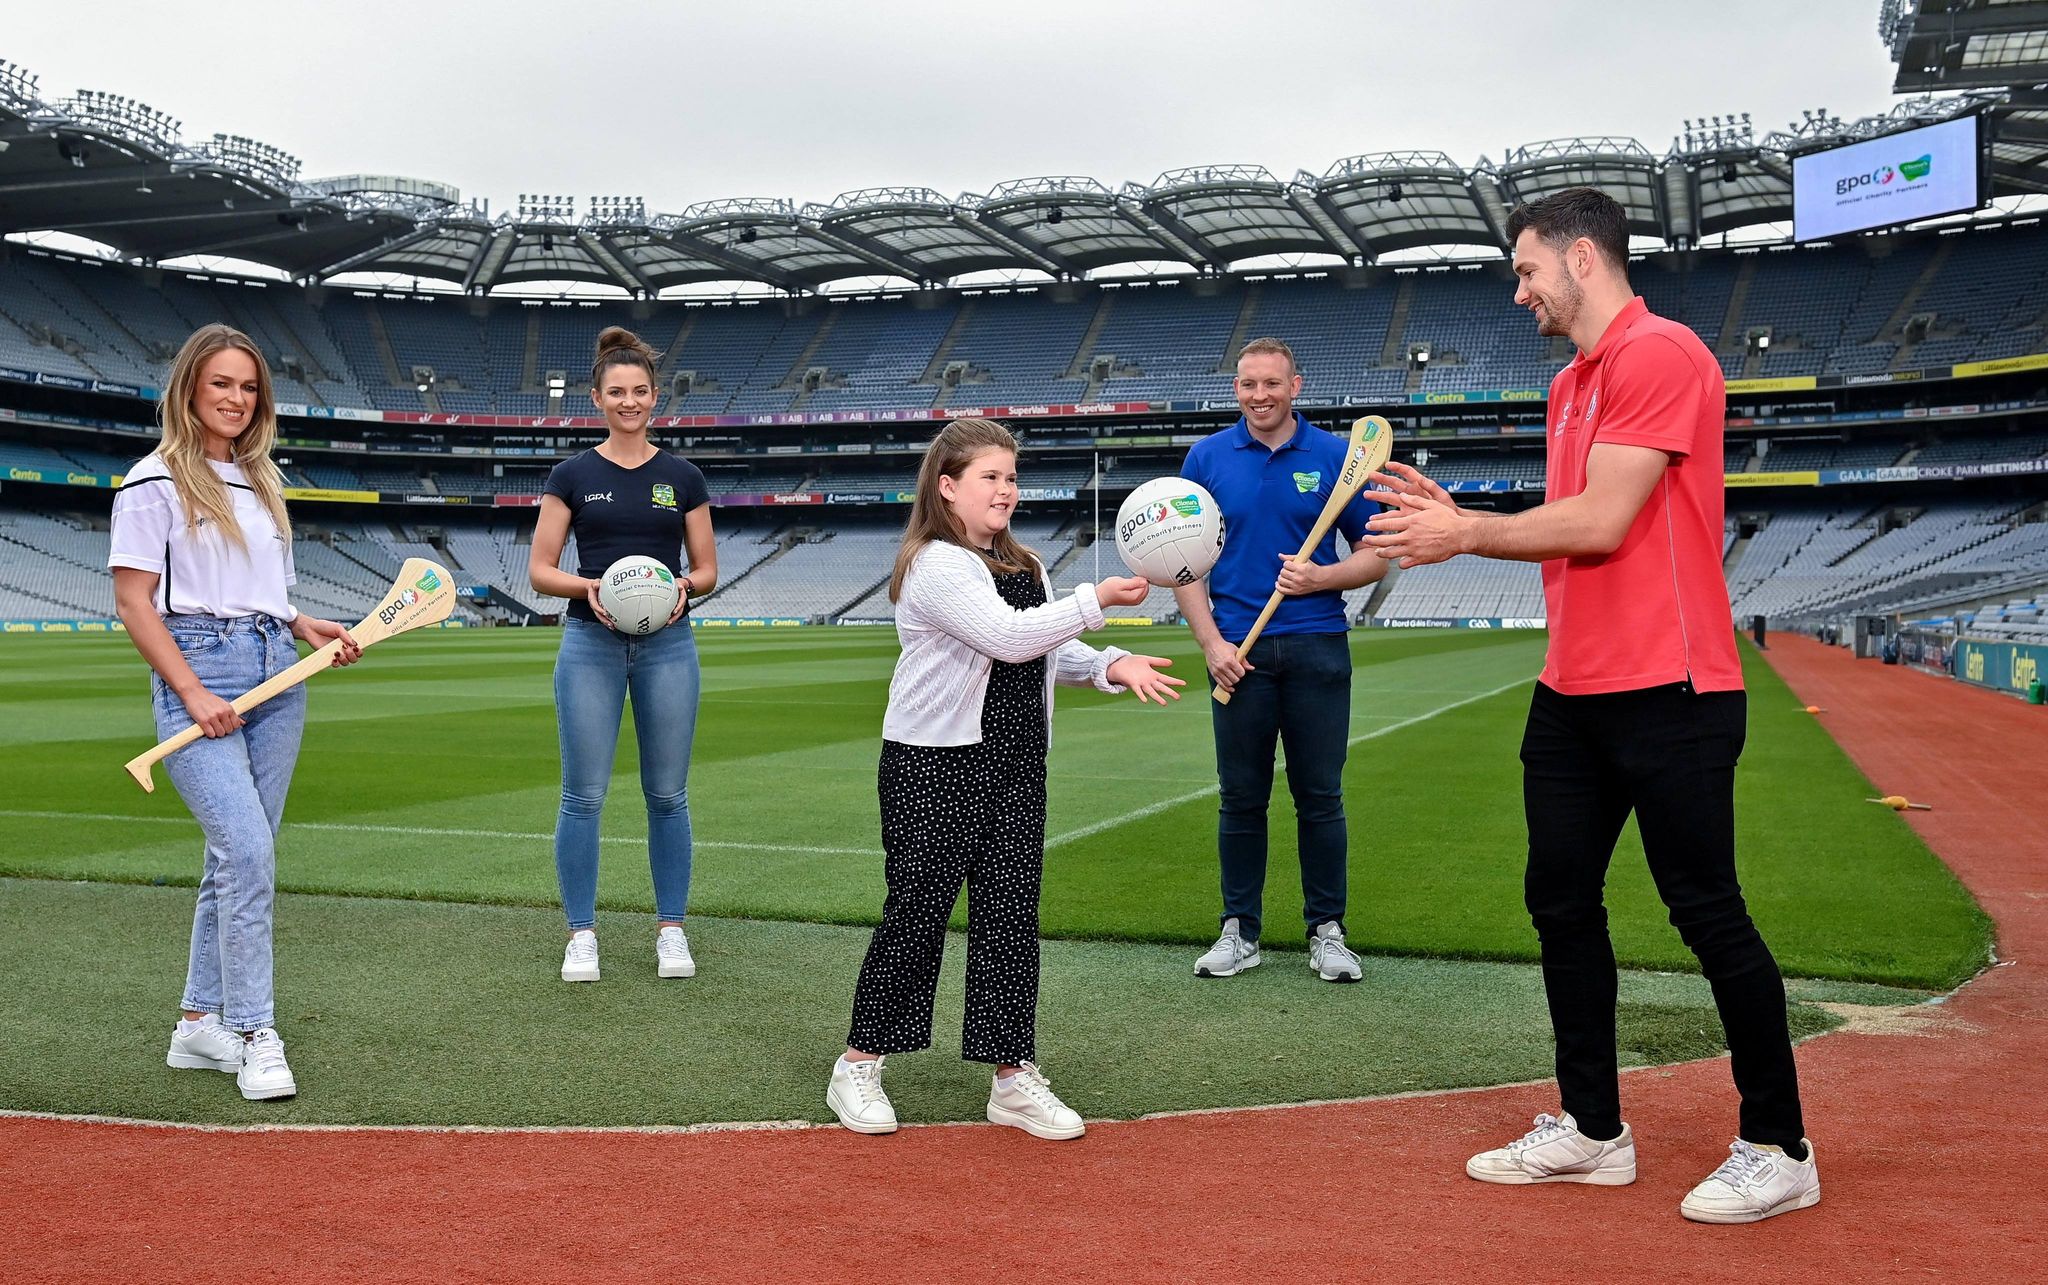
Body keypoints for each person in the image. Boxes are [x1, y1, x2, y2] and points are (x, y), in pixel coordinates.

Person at [1363, 187, 1817, 1224]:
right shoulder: (1572, 381)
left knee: (1705, 911)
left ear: (1579, 257)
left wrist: (1468, 533)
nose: (1517, 292)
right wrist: (1460, 517)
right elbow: (1570, 523)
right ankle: (1591, 1129)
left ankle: (1777, 1141)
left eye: (1524, 271)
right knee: (1558, 902)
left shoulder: (1658, 355)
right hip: (1573, 689)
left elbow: (1605, 520)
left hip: (1672, 685)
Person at [827, 418, 1182, 1139]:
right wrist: (1100, 597)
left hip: (1017, 762)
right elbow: (1009, 638)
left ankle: (1012, 1075)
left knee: (1011, 921)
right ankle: (858, 1064)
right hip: (934, 762)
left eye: (1012, 477)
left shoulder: (1024, 564)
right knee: (918, 913)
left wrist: (1110, 662)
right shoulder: (936, 564)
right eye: (991, 477)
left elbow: (1047, 649)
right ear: (948, 486)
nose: (1007, 490)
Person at [109, 323, 363, 1102]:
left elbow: (260, 587)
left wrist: (300, 621)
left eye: (248, 387)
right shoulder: (151, 482)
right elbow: (132, 600)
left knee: (235, 859)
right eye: (221, 383)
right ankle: (255, 1029)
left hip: (275, 673)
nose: (236, 398)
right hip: (202, 669)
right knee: (249, 853)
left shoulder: (262, 479)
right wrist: (190, 690)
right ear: (190, 388)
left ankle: (196, 1023)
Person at [1172, 338, 1388, 983]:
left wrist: (1320, 579)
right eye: (1247, 385)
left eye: (1271, 383)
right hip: (1237, 651)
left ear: (1296, 384)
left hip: (1318, 648)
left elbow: (1377, 553)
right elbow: (1185, 562)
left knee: (1319, 796)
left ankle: (1328, 930)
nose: (1259, 396)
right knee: (1240, 798)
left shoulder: (1335, 456)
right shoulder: (1206, 457)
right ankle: (1238, 930)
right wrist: (1211, 646)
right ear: (1235, 388)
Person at [527, 327, 716, 984]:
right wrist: (592, 588)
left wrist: (683, 587)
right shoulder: (571, 474)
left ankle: (671, 929)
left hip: (668, 646)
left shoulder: (682, 475)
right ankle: (582, 933)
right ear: (597, 398)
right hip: (589, 644)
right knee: (582, 795)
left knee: (668, 794)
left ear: (655, 396)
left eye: (640, 391)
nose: (629, 401)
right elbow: (539, 569)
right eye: (617, 392)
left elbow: (708, 566)